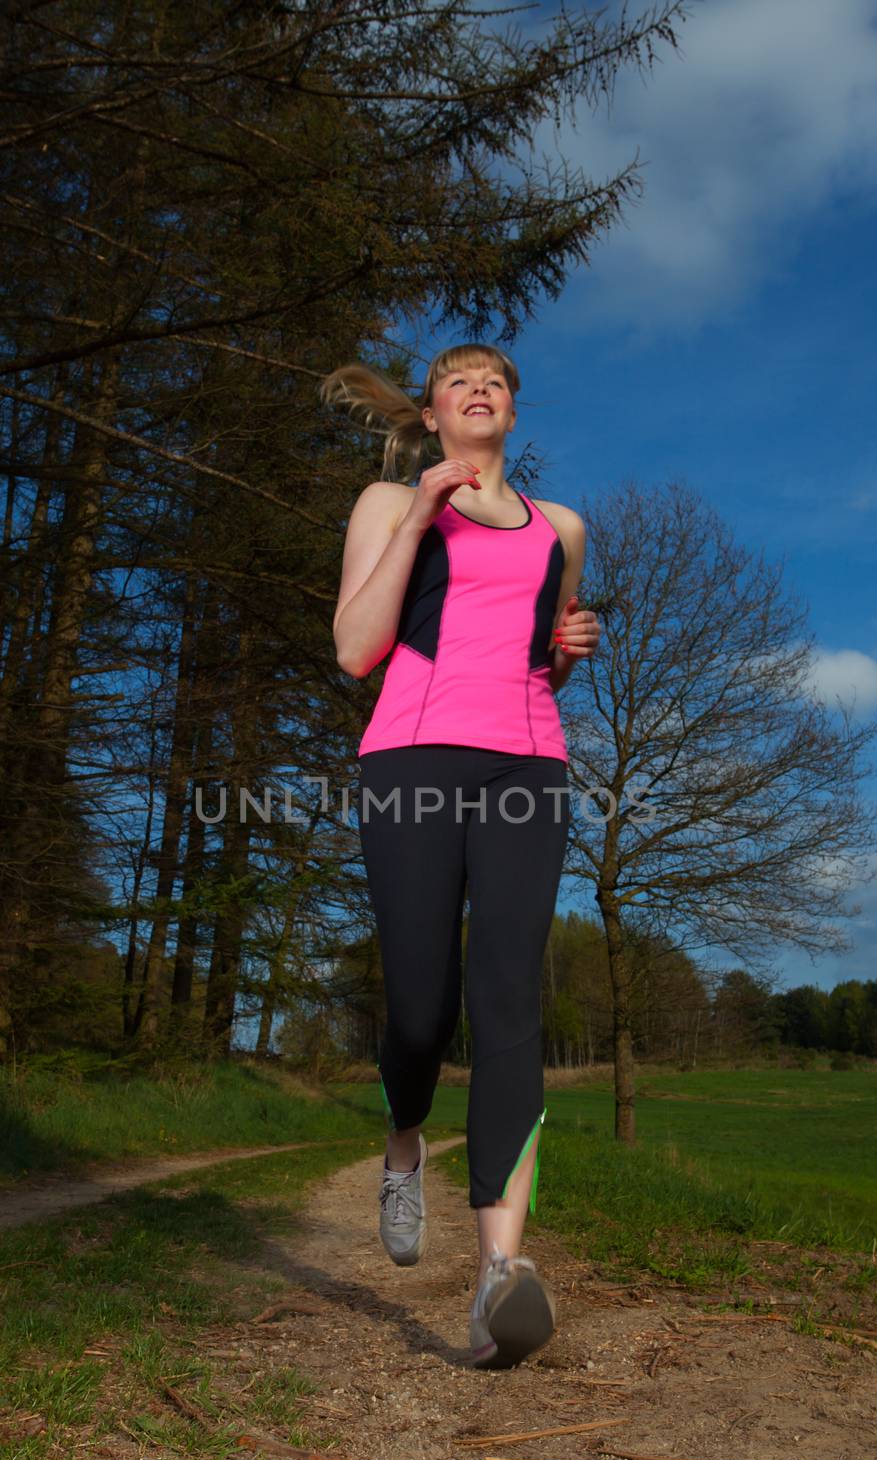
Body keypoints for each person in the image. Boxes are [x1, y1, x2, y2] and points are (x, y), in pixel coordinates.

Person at [322, 344, 601, 1368]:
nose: (478, 389)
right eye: (457, 382)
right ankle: (404, 1140)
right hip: (409, 758)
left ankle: (498, 1276)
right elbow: (356, 648)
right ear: (433, 415)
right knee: (418, 1008)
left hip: (529, 764)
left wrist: (566, 654)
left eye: (495, 381)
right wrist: (419, 509)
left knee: (507, 996)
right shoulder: (384, 502)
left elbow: (538, 667)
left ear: (510, 414)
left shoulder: (560, 529)